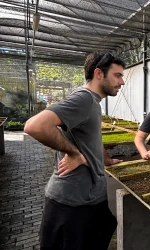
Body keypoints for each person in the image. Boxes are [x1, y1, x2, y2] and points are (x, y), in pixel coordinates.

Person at [24, 52, 125, 250]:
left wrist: (106, 160)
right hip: (73, 203)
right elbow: (34, 126)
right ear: (99, 73)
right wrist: (74, 153)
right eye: (118, 75)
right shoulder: (85, 99)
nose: (122, 82)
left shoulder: (92, 102)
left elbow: (92, 137)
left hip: (87, 197)